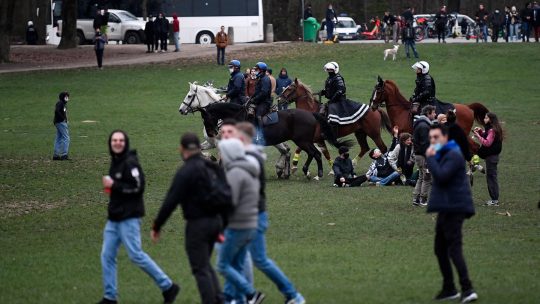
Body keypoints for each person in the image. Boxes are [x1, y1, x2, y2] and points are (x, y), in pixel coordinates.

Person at [98, 130, 180, 304]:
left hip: (129, 217)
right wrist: (113, 188)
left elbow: (138, 186)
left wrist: (115, 185)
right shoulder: (116, 161)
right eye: (114, 140)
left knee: (135, 255)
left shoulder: (130, 162)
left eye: (121, 140)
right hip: (114, 218)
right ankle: (109, 297)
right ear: (110, 143)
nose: (117, 143)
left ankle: (168, 286)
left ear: (125, 142)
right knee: (107, 255)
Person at [233, 122, 306, 304]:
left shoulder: (250, 160)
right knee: (237, 259)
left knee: (255, 259)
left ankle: (292, 294)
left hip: (252, 217)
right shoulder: (247, 157)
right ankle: (241, 297)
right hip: (246, 216)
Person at [151, 133, 223, 304]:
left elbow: (171, 201)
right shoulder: (212, 167)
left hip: (197, 225)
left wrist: (157, 225)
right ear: (199, 148)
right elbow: (225, 194)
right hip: (216, 222)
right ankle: (220, 299)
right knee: (205, 265)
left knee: (200, 269)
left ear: (181, 150)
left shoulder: (185, 172)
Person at [425, 124, 478, 303]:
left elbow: (441, 176)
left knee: (454, 248)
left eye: (436, 137)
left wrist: (430, 158)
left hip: (455, 208)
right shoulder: (445, 154)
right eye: (431, 138)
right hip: (447, 207)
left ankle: (467, 289)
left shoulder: (453, 155)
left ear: (445, 138)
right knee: (440, 249)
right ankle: (449, 288)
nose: (433, 141)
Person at [217, 138, 265, 304]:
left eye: (223, 152)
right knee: (237, 263)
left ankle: (251, 294)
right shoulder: (248, 169)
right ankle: (236, 299)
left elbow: (231, 201)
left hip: (238, 225)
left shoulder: (235, 173)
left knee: (223, 265)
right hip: (250, 223)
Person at [473, 113, 503, 206]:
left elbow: (487, 143)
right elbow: (488, 137)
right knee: (491, 177)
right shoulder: (492, 129)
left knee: (491, 178)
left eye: (486, 118)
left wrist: (478, 136)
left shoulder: (492, 130)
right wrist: (481, 132)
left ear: (490, 120)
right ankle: (494, 199)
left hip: (491, 158)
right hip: (492, 157)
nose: (484, 119)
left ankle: (494, 200)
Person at [412, 105, 436, 207]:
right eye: (434, 112)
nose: (435, 114)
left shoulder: (421, 124)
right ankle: (423, 200)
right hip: (424, 156)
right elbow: (425, 144)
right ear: (428, 113)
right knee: (427, 177)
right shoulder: (424, 126)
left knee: (421, 177)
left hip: (419, 155)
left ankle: (416, 199)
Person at [52, 91, 71, 161]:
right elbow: (57, 111)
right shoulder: (60, 103)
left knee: (59, 138)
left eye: (68, 97)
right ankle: (64, 155)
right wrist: (63, 119)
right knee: (66, 138)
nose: (67, 98)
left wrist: (65, 119)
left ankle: (56, 155)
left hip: (58, 122)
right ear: (63, 97)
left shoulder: (62, 104)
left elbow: (61, 112)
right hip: (60, 122)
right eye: (66, 97)